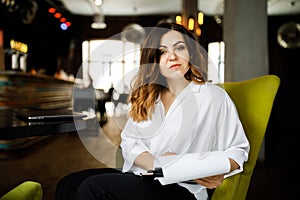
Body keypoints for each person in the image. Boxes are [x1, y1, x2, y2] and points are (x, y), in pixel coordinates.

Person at [55, 21, 250, 200]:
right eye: (162, 51)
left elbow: (238, 150)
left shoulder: (213, 96)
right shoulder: (148, 97)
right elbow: (130, 142)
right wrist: (158, 165)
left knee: (93, 188)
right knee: (69, 184)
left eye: (179, 48)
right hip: (146, 177)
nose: (172, 56)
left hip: (182, 189)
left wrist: (199, 168)